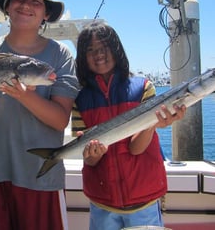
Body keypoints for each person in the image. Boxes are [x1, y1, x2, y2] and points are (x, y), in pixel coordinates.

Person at [0, 0, 79, 230]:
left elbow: (60, 120)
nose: (26, 5)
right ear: (8, 6)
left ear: (46, 13)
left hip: (40, 179)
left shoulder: (60, 55)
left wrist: (24, 94)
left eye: (36, 2)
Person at [74, 21, 186, 230]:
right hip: (102, 202)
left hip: (144, 200)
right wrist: (93, 153)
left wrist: (152, 123)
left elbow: (137, 148)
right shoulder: (79, 100)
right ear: (82, 57)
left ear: (116, 49)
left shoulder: (143, 88)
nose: (98, 54)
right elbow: (89, 161)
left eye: (104, 47)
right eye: (90, 50)